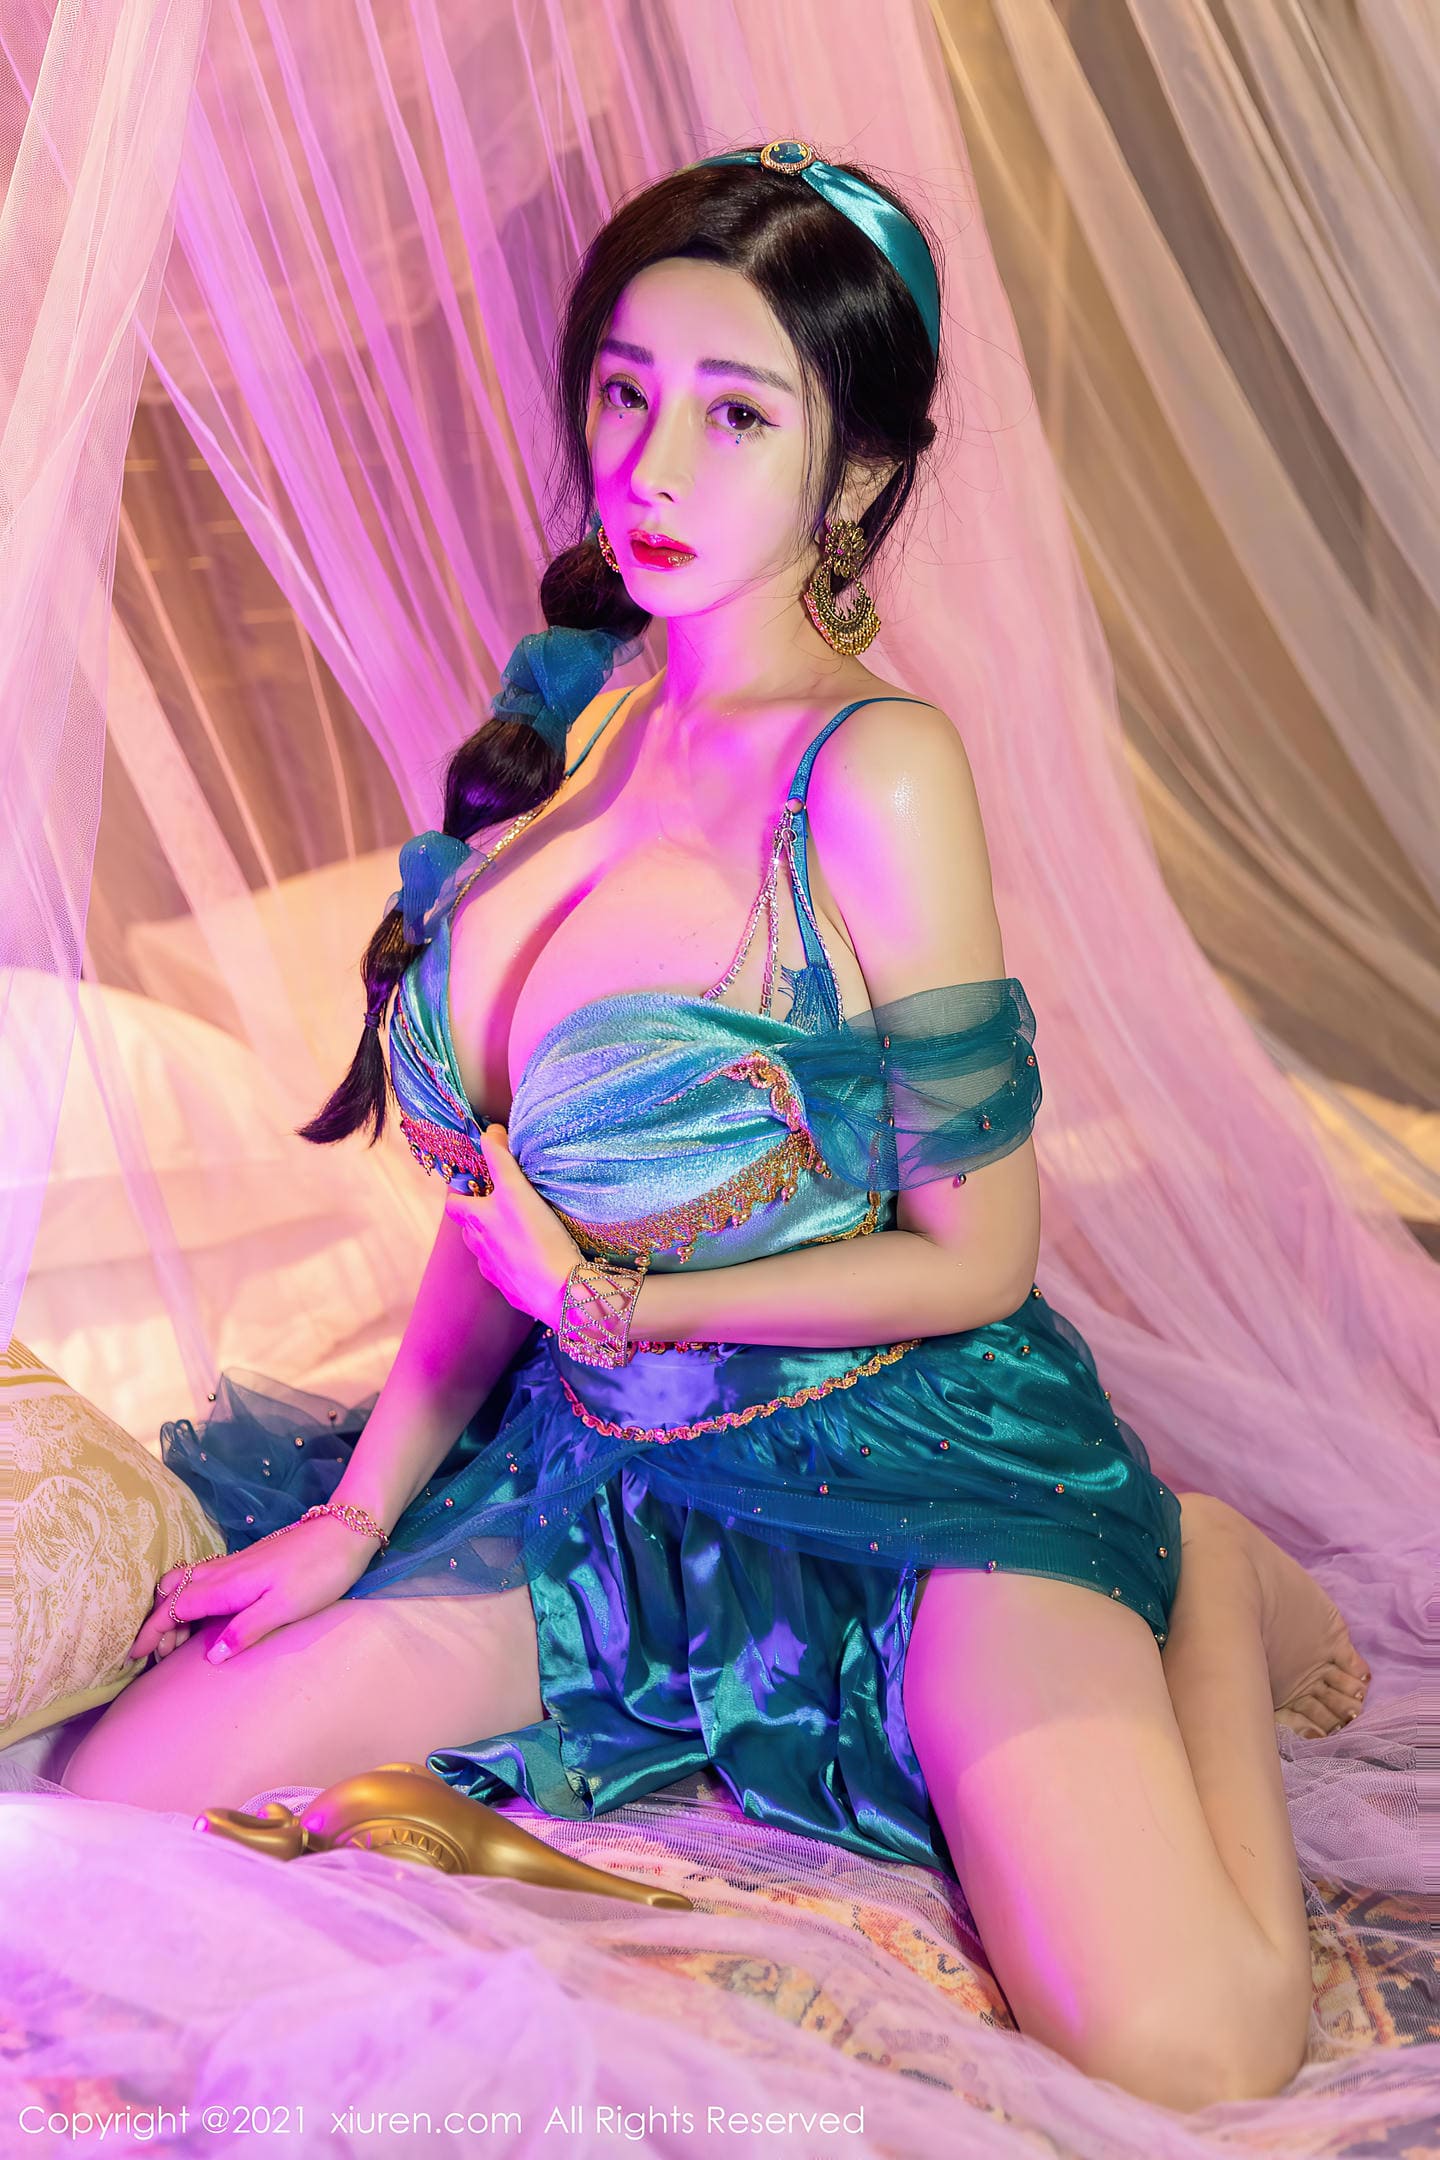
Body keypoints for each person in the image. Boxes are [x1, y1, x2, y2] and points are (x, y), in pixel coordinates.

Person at [63, 142, 1370, 2109]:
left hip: (914, 1462)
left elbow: (979, 1252)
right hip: (607, 1479)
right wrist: (358, 1514)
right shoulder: (573, 732)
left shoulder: (877, 772)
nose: (651, 466)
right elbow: (498, 1216)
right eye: (624, 391)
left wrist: (616, 1308)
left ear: (854, 475)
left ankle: (1192, 1575)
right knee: (108, 1801)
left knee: (1183, 2048)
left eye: (736, 413)